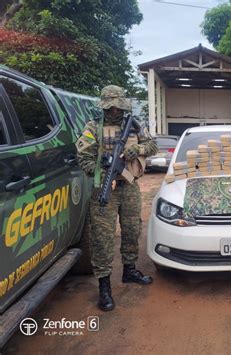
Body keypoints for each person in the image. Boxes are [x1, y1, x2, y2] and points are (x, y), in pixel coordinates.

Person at [76, 85, 159, 311]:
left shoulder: (134, 124)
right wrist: (103, 174)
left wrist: (138, 149)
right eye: (111, 108)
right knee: (102, 237)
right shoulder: (93, 127)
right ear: (104, 106)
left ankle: (129, 271)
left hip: (130, 187)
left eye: (118, 107)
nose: (115, 111)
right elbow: (83, 159)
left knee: (132, 229)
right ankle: (104, 286)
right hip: (104, 189)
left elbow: (153, 145)